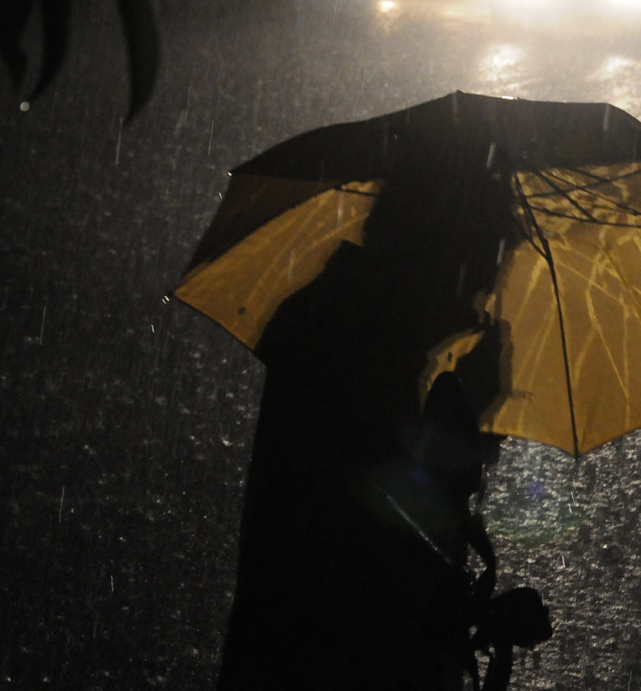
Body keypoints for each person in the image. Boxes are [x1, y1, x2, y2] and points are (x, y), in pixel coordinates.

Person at [215, 139, 551, 690]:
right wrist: (464, 427)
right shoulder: (353, 350)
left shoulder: (343, 325)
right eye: (482, 274)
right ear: (442, 255)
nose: (480, 306)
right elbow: (381, 552)